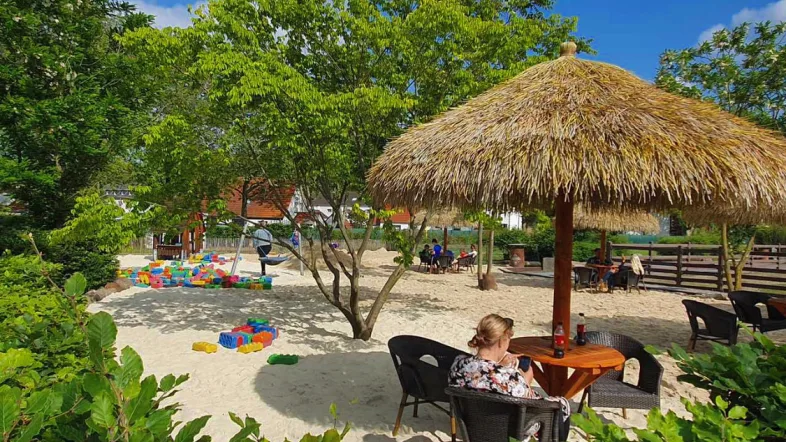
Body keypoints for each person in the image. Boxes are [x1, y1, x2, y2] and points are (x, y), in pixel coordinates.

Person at [449, 314, 570, 441]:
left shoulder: (458, 364)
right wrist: (526, 380)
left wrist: (500, 366)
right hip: (508, 430)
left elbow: (484, 378)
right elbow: (529, 403)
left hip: (475, 428)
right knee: (561, 404)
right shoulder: (511, 378)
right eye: (508, 340)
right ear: (501, 341)